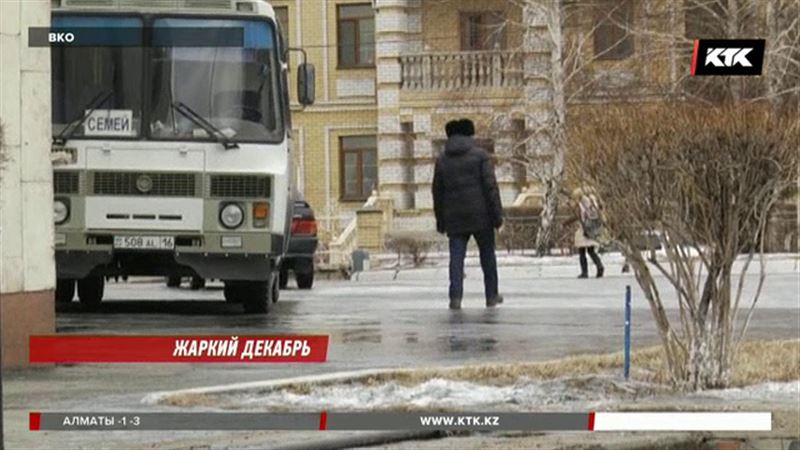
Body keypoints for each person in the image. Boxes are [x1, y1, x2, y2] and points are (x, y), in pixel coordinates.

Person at [432, 119, 504, 309]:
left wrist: (440, 220)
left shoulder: (442, 160)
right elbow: (491, 188)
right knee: (487, 256)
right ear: (469, 135)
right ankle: (491, 295)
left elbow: (437, 193)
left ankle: (455, 298)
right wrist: (497, 217)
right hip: (481, 217)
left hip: (454, 218)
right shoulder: (480, 156)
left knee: (456, 259)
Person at [570, 187, 605, 278]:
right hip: (593, 227)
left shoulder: (581, 204)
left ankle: (584, 272)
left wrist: (565, 223)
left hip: (584, 228)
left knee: (582, 251)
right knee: (591, 250)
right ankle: (599, 266)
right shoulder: (592, 200)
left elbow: (577, 216)